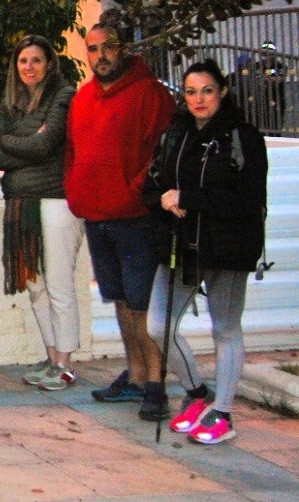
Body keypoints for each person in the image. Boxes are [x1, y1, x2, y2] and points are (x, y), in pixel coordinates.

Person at [143, 60, 268, 445]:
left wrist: (190, 199)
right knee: (158, 326)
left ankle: (223, 413)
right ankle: (198, 393)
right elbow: (153, 182)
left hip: (228, 246)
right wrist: (162, 199)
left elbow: (248, 199)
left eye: (207, 90)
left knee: (225, 328)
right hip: (181, 244)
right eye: (191, 91)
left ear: (223, 92)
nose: (198, 99)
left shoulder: (241, 136)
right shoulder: (176, 133)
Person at [65, 22, 177, 417]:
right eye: (93, 49)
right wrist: (77, 192)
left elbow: (162, 155)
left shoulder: (151, 95)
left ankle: (155, 384)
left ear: (123, 49)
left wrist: (134, 192)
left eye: (108, 47)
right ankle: (134, 376)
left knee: (143, 305)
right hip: (97, 216)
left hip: (137, 218)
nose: (101, 56)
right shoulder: (82, 99)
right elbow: (73, 153)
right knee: (121, 301)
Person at [0, 36, 82, 391]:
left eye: (36, 60)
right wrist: (27, 142)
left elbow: (47, 144)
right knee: (34, 284)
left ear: (49, 64)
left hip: (56, 200)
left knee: (58, 284)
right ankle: (51, 355)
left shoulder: (64, 95)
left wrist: (15, 141)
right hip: (19, 201)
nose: (29, 67)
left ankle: (66, 364)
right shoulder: (10, 101)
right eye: (23, 61)